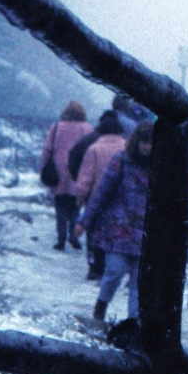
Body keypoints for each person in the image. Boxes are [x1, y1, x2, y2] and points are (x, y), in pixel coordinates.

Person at [77, 120, 155, 325]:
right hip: (119, 228)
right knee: (114, 271)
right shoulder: (121, 160)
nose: (147, 147)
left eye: (152, 143)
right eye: (144, 142)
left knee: (139, 281)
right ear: (137, 141)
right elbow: (102, 192)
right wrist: (84, 221)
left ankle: (133, 323)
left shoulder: (162, 168)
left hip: (146, 232)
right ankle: (101, 305)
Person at [73, 111, 127, 280]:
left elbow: (86, 176)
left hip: (96, 199)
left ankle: (95, 267)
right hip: (121, 200)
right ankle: (113, 267)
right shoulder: (127, 148)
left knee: (94, 233)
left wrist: (81, 196)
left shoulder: (94, 149)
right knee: (115, 233)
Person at [41, 101, 94, 251]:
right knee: (75, 208)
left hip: (58, 173)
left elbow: (47, 149)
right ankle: (74, 236)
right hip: (78, 172)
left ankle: (61, 239)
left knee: (60, 208)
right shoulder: (87, 128)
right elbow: (91, 152)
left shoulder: (57, 126)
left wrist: (43, 168)